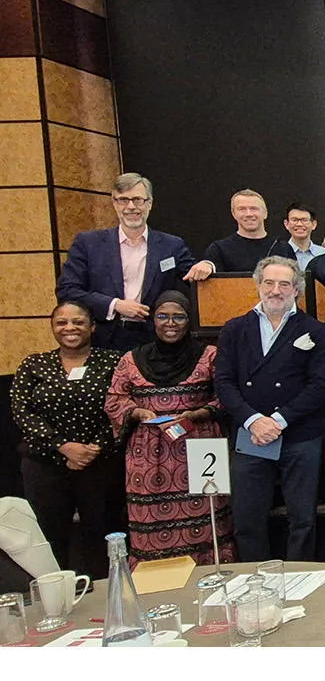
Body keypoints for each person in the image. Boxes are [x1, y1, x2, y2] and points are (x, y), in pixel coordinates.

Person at [214, 257, 325, 561]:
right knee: (247, 519)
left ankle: (300, 578)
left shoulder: (314, 330)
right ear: (258, 286)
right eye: (269, 283)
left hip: (300, 436)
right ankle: (255, 580)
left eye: (284, 284)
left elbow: (321, 386)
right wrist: (254, 421)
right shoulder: (234, 329)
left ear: (296, 289)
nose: (276, 290)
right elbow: (224, 383)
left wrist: (278, 420)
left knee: (303, 520)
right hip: (250, 436)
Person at [105, 291, 232, 565]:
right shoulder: (131, 359)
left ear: (190, 320)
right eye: (163, 316)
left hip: (198, 446)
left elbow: (227, 395)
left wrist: (199, 413)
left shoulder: (210, 355)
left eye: (179, 317)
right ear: (153, 320)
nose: (170, 323)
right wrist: (137, 412)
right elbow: (115, 399)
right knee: (150, 525)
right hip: (148, 453)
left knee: (206, 518)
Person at [11, 302, 124, 576]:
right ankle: (57, 594)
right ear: (52, 328)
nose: (70, 328)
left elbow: (121, 406)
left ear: (92, 327)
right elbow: (21, 411)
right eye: (61, 322)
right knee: (50, 537)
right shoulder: (34, 364)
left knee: (102, 535)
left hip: (99, 462)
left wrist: (94, 448)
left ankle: (104, 593)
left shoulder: (114, 361)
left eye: (78, 322)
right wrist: (63, 446)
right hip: (45, 464)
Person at [56, 172, 206, 351]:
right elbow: (67, 290)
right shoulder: (88, 244)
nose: (131, 206)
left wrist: (208, 265)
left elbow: (195, 277)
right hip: (103, 341)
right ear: (114, 203)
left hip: (155, 342)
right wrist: (115, 305)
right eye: (123, 200)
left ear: (149, 203)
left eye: (138, 200)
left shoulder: (171, 245)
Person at [199, 189, 297, 273]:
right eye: (242, 209)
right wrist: (206, 265)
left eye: (254, 209)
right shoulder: (218, 250)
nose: (249, 214)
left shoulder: (284, 249)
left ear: (265, 213)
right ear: (234, 214)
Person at [283, 202, 325, 273]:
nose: (299, 224)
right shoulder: (279, 253)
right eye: (294, 220)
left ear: (314, 224)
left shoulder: (324, 254)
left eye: (304, 220)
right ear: (286, 224)